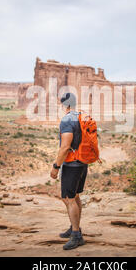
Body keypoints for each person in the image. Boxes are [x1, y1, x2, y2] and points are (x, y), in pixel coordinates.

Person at [50, 92, 87, 250]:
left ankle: (76, 236)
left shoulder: (67, 120)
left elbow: (65, 146)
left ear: (64, 104)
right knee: (75, 196)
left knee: (68, 198)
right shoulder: (81, 116)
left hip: (72, 164)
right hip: (83, 162)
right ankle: (74, 227)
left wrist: (56, 166)